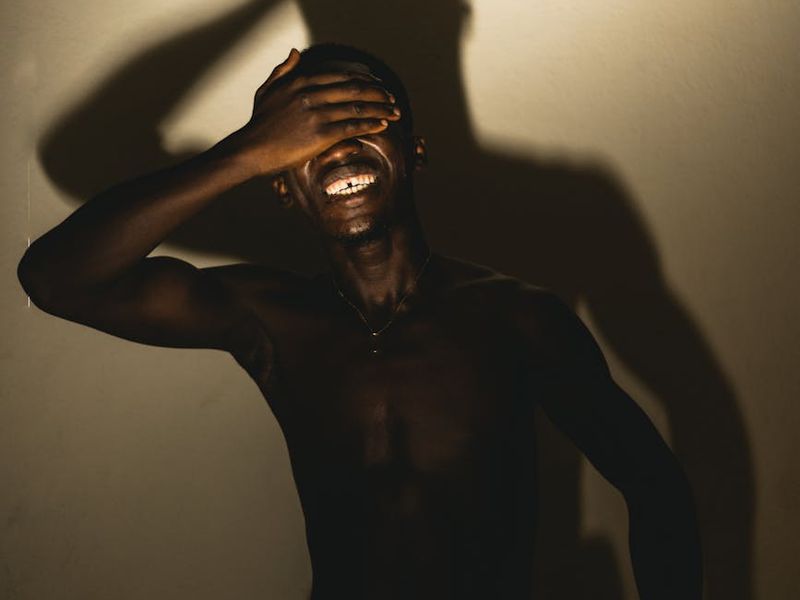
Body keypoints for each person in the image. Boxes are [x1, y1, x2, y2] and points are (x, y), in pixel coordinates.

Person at [18, 44, 702, 599]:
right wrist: (245, 152)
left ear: (415, 149)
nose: (339, 145)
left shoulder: (516, 316)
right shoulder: (267, 320)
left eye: (362, 116)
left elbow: (654, 482)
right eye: (306, 134)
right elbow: (57, 279)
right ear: (283, 183)